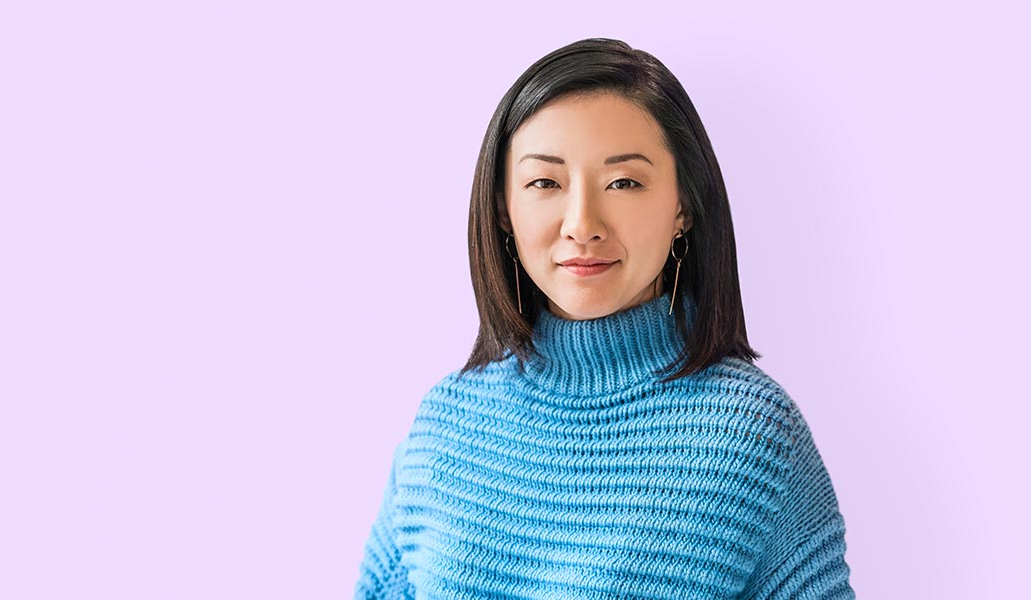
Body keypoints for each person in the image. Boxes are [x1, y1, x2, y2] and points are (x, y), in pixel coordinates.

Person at [353, 38, 855, 599]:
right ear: (503, 209)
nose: (582, 223)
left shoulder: (752, 436)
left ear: (683, 206)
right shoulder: (442, 428)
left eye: (624, 183)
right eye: (545, 182)